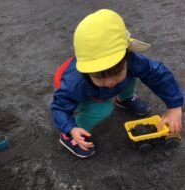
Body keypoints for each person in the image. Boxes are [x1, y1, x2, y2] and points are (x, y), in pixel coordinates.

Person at [51, 9, 183, 158]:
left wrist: (174, 106)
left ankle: (124, 99)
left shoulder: (131, 61)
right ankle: (71, 135)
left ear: (126, 56)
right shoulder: (74, 83)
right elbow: (60, 107)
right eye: (99, 77)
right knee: (103, 108)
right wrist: (70, 128)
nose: (109, 82)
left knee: (131, 75)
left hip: (99, 83)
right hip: (82, 94)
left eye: (116, 72)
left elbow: (158, 74)